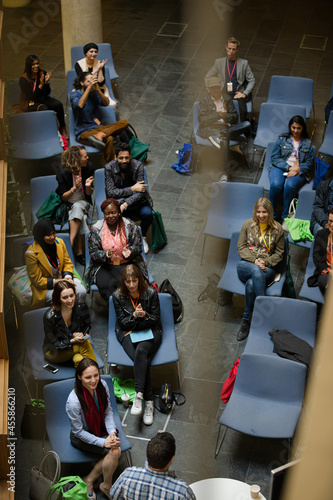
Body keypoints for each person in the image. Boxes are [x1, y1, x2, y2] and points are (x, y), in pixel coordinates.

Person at [113, 264, 162, 425]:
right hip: (128, 331)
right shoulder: (117, 296)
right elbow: (122, 323)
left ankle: (139, 395)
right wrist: (134, 316)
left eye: (134, 281)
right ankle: (149, 401)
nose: (131, 284)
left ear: (139, 280)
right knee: (142, 360)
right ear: (123, 282)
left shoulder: (151, 293)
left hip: (150, 330)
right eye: (128, 282)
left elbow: (155, 319)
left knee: (141, 352)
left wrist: (144, 314)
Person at [66, 358, 121, 499]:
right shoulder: (73, 401)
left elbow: (108, 412)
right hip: (81, 436)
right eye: (88, 377)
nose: (93, 380)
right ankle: (100, 484)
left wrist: (112, 433)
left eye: (96, 375)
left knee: (115, 449)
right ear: (79, 377)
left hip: (100, 427)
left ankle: (93, 480)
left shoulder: (101, 385)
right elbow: (78, 432)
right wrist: (103, 442)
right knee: (114, 451)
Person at [236, 198, 285, 341]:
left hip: (267, 268)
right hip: (245, 265)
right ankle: (264, 314)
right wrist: (254, 261)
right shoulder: (247, 225)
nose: (261, 215)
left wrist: (264, 262)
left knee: (252, 284)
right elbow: (241, 247)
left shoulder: (278, 229)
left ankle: (246, 320)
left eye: (264, 212)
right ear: (255, 212)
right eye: (258, 212)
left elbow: (279, 254)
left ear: (270, 212)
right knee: (254, 271)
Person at [85, 199, 148, 302]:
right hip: (104, 265)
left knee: (127, 283)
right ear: (104, 214)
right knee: (106, 286)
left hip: (126, 262)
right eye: (107, 213)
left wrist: (131, 251)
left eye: (113, 213)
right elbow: (93, 253)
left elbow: (138, 247)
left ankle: (129, 310)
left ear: (119, 212)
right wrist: (104, 254)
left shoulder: (130, 226)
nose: (111, 216)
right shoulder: (96, 229)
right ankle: (115, 311)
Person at [110, 432, 196, 499]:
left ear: (148, 454)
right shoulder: (182, 492)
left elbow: (114, 496)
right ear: (172, 458)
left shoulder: (127, 476)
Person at [25, 219, 86, 308]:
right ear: (40, 236)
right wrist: (60, 282)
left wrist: (67, 278)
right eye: (48, 235)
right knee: (63, 297)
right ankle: (64, 319)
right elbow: (38, 281)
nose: (52, 237)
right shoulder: (31, 253)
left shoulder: (59, 242)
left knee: (81, 291)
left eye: (53, 233)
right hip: (46, 287)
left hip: (63, 278)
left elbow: (67, 263)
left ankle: (76, 314)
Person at [105, 142, 153, 253]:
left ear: (130, 156)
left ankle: (143, 236)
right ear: (115, 157)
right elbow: (111, 192)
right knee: (113, 215)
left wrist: (125, 204)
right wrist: (132, 189)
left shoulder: (138, 166)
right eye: (121, 158)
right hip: (118, 203)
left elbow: (140, 192)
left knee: (148, 213)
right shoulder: (109, 168)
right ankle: (122, 239)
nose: (124, 161)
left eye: (127, 157)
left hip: (136, 203)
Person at [70, 72, 128, 162]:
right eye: (89, 81)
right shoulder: (75, 94)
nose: (91, 84)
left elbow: (106, 103)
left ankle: (100, 135)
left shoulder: (94, 93)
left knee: (124, 122)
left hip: (98, 128)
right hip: (83, 131)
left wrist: (98, 90)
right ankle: (112, 166)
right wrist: (89, 88)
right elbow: (80, 105)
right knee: (109, 139)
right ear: (82, 83)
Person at [268, 115, 315, 221]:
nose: (296, 130)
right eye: (293, 127)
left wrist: (298, 169)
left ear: (303, 128)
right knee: (276, 185)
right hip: (280, 167)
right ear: (290, 127)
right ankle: (272, 216)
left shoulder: (308, 143)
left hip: (299, 169)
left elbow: (309, 162)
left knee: (290, 185)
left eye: (299, 128)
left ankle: (286, 217)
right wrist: (289, 168)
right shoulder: (282, 139)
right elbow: (275, 157)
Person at [197, 76, 242, 182]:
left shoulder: (227, 98)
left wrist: (225, 116)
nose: (215, 90)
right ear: (209, 89)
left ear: (220, 87)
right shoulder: (204, 101)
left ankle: (219, 138)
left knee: (245, 125)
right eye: (212, 88)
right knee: (225, 141)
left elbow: (235, 117)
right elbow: (202, 120)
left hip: (226, 126)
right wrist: (217, 115)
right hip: (211, 127)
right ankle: (225, 173)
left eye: (217, 87)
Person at [56, 145, 94, 266]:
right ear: (76, 159)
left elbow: (89, 194)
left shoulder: (88, 168)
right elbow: (63, 197)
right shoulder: (63, 172)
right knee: (81, 217)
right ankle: (79, 252)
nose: (87, 157)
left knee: (78, 207)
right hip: (67, 205)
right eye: (85, 156)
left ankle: (70, 242)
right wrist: (74, 188)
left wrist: (88, 186)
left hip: (83, 202)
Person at [43, 280, 96, 367]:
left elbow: (87, 326)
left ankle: (86, 378)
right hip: (54, 351)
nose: (70, 300)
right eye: (65, 297)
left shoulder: (81, 306)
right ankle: (97, 377)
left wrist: (81, 334)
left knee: (79, 360)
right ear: (58, 299)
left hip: (74, 345)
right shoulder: (49, 317)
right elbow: (53, 344)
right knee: (85, 344)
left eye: (72, 295)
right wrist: (71, 341)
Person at [205, 37, 255, 121]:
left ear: (237, 50)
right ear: (226, 47)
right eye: (229, 48)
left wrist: (245, 94)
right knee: (221, 112)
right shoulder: (219, 62)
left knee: (242, 112)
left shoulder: (243, 63)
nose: (231, 52)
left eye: (233, 49)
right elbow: (207, 77)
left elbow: (252, 80)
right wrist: (210, 90)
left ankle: (237, 130)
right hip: (223, 93)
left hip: (237, 93)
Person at [18, 54, 68, 138]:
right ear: (29, 66)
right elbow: (31, 97)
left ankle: (62, 127)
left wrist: (47, 83)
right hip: (29, 101)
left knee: (58, 105)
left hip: (41, 98)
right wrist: (41, 85)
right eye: (33, 64)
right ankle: (49, 130)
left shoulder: (42, 73)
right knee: (44, 108)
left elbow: (47, 92)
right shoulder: (23, 79)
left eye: (37, 63)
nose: (36, 66)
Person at [307, 208, 333, 296]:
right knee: (326, 284)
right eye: (330, 221)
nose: (332, 224)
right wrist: (329, 271)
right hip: (326, 271)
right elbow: (317, 258)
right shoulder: (321, 234)